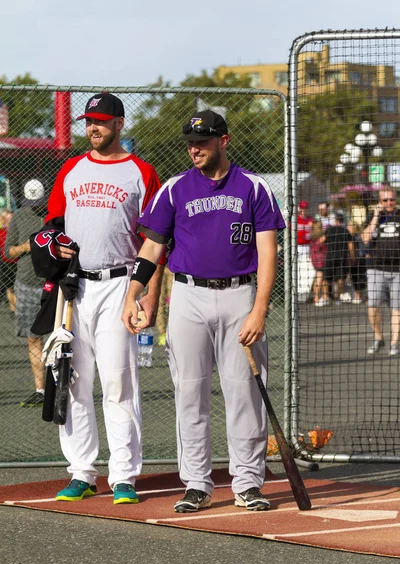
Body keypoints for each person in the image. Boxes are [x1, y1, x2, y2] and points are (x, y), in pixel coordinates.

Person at [122, 109, 286, 513]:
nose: (195, 148)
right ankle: (197, 482)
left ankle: (247, 482)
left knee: (244, 392)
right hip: (188, 297)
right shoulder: (176, 188)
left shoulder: (253, 187)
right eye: (191, 142)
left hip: (239, 296)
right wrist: (135, 292)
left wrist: (259, 310)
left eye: (204, 140)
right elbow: (152, 247)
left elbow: (268, 254)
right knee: (189, 393)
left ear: (224, 141)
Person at [33, 93, 163, 504]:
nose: (94, 128)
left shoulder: (141, 173)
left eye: (102, 121)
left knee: (118, 380)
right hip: (75, 289)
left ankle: (123, 475)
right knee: (71, 380)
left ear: (120, 124)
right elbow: (52, 225)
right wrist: (54, 247)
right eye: (89, 120)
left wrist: (149, 299)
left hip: (121, 284)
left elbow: (156, 241)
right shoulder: (70, 169)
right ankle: (82, 471)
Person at [5, 180, 46, 407]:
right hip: (27, 283)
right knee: (33, 338)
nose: (36, 207)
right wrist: (25, 247)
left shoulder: (56, 215)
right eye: (32, 203)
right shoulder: (20, 216)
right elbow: (8, 251)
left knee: (63, 338)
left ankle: (63, 387)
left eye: (39, 203)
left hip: (54, 284)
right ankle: (40, 390)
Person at [361, 186, 400, 356]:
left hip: (398, 269)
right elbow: (365, 238)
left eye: (392, 199)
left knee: (397, 308)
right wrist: (376, 215)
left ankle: (394, 343)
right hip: (376, 268)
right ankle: (378, 338)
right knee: (373, 305)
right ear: (379, 201)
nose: (389, 203)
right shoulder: (374, 217)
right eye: (385, 200)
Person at [319, 210, 355, 304]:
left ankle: (325, 297)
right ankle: (338, 299)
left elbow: (321, 241)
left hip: (330, 256)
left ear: (335, 220)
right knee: (340, 279)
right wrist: (352, 257)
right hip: (342, 257)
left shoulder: (329, 230)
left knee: (326, 278)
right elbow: (351, 246)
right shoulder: (345, 231)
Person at [0, 209, 17, 313]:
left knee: (16, 287)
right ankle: (13, 309)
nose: (10, 219)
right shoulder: (2, 230)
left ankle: (17, 308)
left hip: (17, 261)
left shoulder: (15, 229)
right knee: (9, 287)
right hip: (5, 262)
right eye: (7, 217)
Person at [347, 220, 367, 304]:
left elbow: (352, 249)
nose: (347, 228)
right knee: (361, 277)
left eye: (349, 226)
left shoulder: (353, 237)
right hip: (362, 259)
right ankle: (360, 295)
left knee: (356, 277)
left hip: (356, 259)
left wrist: (352, 259)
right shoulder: (361, 235)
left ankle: (358, 296)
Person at [309, 219, 328, 306]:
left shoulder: (312, 235)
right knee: (320, 279)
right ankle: (317, 297)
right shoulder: (322, 237)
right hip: (321, 260)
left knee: (320, 278)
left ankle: (321, 297)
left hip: (315, 259)